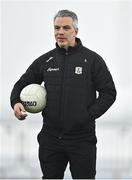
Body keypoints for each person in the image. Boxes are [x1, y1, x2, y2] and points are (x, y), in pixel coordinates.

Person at [10, 9, 117, 179]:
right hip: (50, 138)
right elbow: (22, 84)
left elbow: (109, 93)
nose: (60, 32)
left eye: (66, 27)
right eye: (56, 28)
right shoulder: (45, 61)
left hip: (82, 139)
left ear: (76, 31)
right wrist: (16, 102)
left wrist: (86, 115)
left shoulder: (92, 60)